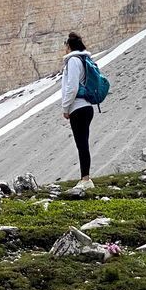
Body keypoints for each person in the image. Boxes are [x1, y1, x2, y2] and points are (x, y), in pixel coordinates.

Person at [62, 31, 95, 188]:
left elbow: (72, 87)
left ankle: (85, 179)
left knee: (81, 143)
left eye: (65, 46)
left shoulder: (73, 61)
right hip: (87, 106)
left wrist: (65, 107)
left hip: (78, 107)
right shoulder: (84, 59)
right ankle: (85, 177)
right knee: (83, 143)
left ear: (69, 46)